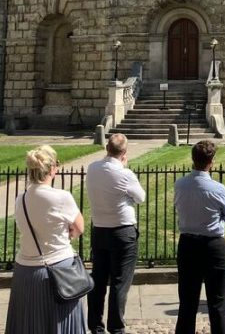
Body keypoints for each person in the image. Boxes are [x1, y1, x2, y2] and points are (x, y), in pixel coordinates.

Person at [5, 145, 86, 333]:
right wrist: (68, 234)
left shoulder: (21, 199)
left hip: (25, 272)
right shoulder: (61, 197)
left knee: (29, 325)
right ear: (52, 169)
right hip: (57, 271)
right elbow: (79, 227)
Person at [86, 133, 146, 334]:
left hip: (100, 229)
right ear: (124, 153)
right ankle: (116, 327)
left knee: (99, 280)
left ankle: (95, 325)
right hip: (122, 232)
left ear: (107, 148)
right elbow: (140, 197)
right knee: (120, 282)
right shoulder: (124, 174)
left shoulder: (93, 168)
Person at [174, 140, 225, 334]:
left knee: (187, 303)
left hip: (188, 244)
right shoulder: (217, 188)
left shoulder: (180, 184)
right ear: (212, 162)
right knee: (218, 304)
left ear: (193, 159)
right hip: (213, 246)